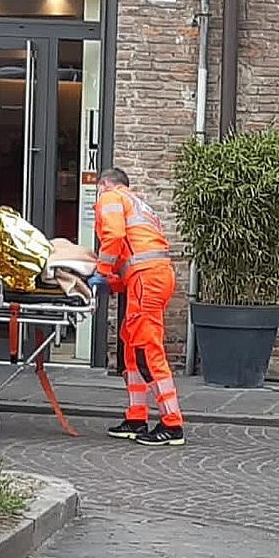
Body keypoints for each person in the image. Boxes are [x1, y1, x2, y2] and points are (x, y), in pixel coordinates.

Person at [87, 168, 185, 446]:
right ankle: (136, 417)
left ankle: (172, 423)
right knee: (132, 349)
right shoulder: (139, 205)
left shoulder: (111, 197)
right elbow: (134, 246)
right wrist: (116, 280)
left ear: (105, 184)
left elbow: (115, 237)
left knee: (146, 349)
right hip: (150, 276)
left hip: (146, 279)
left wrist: (102, 270)